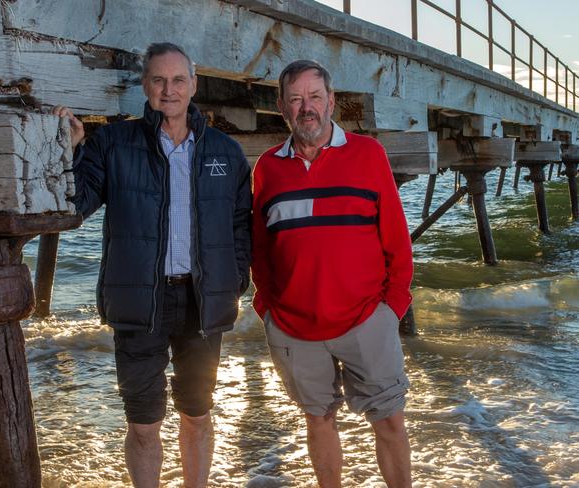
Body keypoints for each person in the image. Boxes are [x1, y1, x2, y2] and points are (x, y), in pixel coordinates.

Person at [53, 42, 251, 488]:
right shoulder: (114, 143)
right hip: (141, 300)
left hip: (202, 304)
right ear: (145, 86)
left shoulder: (225, 151)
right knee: (143, 424)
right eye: (159, 80)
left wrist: (235, 280)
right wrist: (70, 150)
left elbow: (241, 224)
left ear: (194, 85)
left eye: (179, 80)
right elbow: (75, 207)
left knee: (198, 414)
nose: (169, 89)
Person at [251, 59, 413, 488]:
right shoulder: (267, 168)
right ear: (282, 107)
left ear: (332, 102)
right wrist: (266, 307)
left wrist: (390, 310)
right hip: (294, 327)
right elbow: (260, 251)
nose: (308, 107)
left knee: (391, 422)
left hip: (365, 321)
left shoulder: (368, 154)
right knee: (319, 419)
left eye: (315, 97)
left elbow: (397, 242)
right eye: (297, 99)